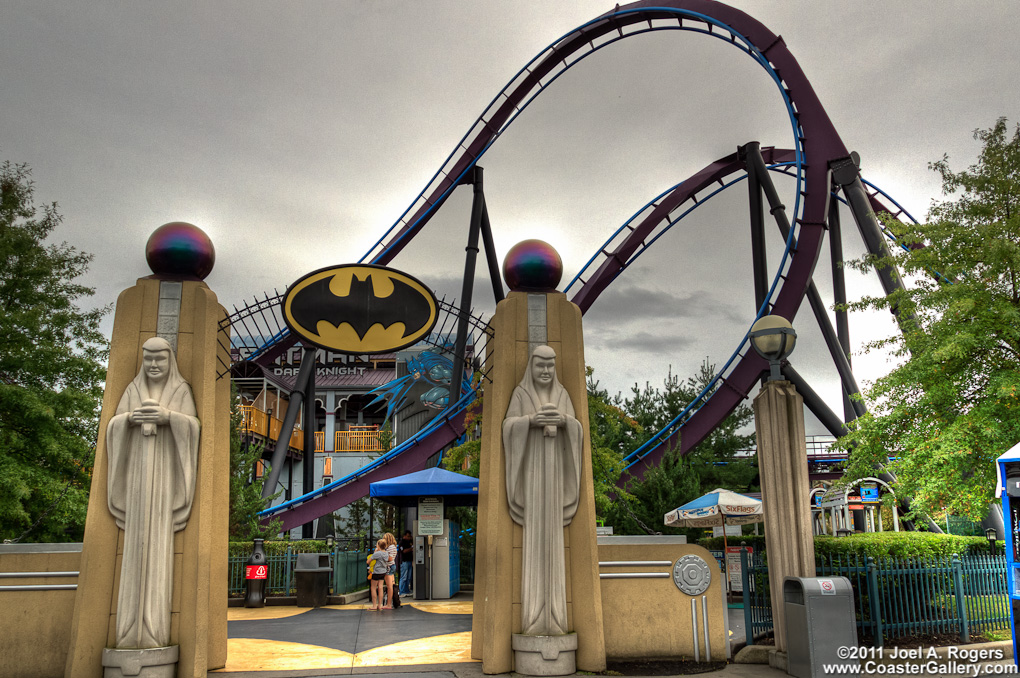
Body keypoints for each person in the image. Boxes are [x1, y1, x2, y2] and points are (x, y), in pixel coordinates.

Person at [106, 337, 200, 649]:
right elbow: (114, 424)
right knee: (135, 545)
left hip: (164, 482)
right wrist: (129, 420)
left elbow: (193, 426)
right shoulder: (133, 391)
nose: (154, 365)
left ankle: (153, 628)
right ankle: (129, 630)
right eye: (148, 359)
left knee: (158, 545)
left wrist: (169, 417)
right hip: (136, 478)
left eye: (160, 359)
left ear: (170, 361)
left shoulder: (180, 391)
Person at [503, 345, 582, 636]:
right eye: (540, 366)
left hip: (556, 477)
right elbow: (508, 426)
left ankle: (557, 617)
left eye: (550, 366)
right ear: (531, 367)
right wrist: (529, 422)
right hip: (533, 478)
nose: (546, 371)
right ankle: (534, 616)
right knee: (535, 541)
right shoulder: (521, 395)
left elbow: (577, 429)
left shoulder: (562, 395)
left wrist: (565, 423)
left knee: (554, 543)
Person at [369, 538, 389, 611]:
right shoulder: (386, 553)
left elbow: (368, 561)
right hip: (383, 571)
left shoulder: (377, 553)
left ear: (378, 545)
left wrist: (375, 552)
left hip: (376, 571)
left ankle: (374, 605)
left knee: (373, 587)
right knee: (380, 587)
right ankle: (380, 605)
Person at [383, 532, 398, 608]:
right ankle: (394, 601)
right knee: (392, 585)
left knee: (389, 586)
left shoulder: (391, 547)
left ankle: (388, 604)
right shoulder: (393, 547)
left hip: (389, 567)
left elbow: (390, 558)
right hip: (392, 566)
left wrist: (382, 556)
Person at [398, 530, 414, 596]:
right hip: (404, 561)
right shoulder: (402, 543)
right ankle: (401, 591)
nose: (409, 537)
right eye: (408, 536)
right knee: (404, 577)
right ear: (404, 536)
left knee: (408, 577)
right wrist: (411, 548)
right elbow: (404, 551)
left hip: (409, 560)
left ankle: (406, 590)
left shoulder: (410, 542)